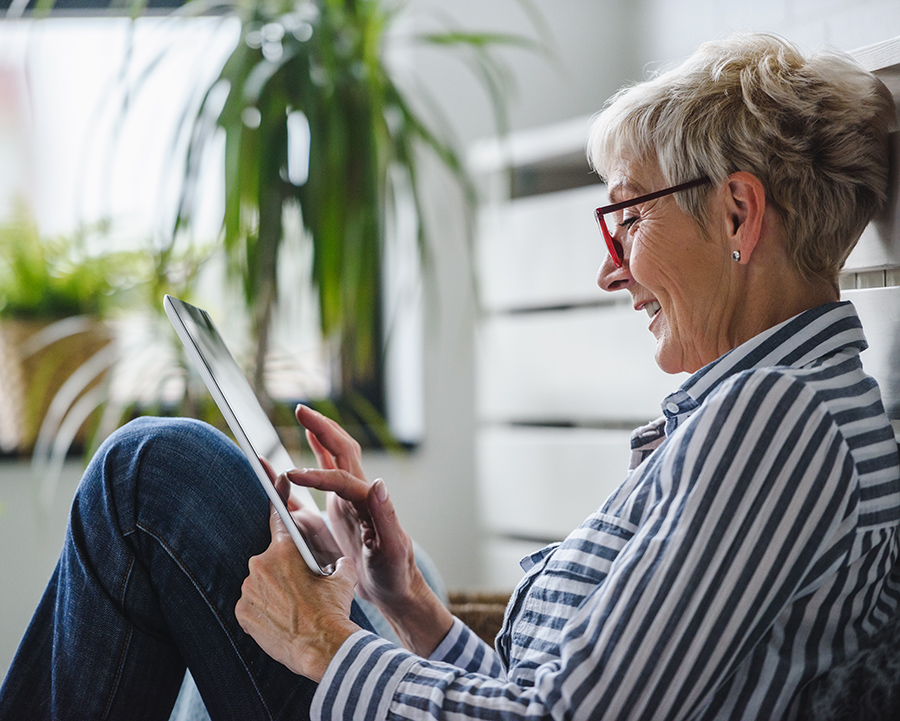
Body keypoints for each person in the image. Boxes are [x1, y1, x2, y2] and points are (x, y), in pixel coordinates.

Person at [2, 31, 898, 721]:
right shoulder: (765, 411)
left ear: (739, 212)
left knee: (154, 471)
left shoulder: (780, 421)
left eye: (623, 216)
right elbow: (558, 690)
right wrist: (410, 603)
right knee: (336, 546)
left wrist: (322, 639)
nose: (609, 268)